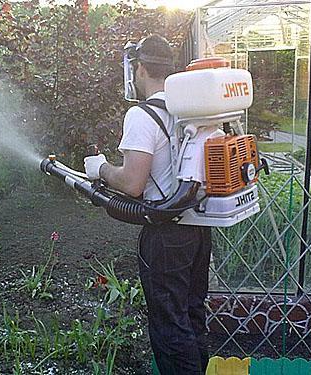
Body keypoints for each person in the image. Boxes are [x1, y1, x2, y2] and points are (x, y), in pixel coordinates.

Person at [83, 34, 212, 375]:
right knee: (192, 314)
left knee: (170, 327)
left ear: (139, 69)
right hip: (199, 230)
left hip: (166, 234)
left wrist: (100, 168)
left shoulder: (141, 116)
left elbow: (132, 183)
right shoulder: (190, 110)